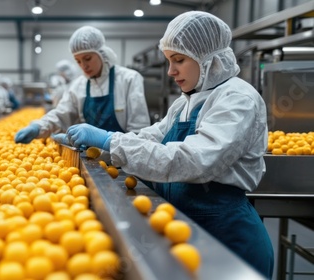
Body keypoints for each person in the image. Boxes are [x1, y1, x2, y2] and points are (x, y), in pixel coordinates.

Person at [64, 11, 274, 278]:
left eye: (179, 60)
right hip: (182, 225)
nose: (171, 71)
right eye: (169, 61)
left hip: (226, 234)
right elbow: (152, 136)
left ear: (208, 59)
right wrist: (100, 145)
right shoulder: (186, 101)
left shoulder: (238, 99)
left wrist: (109, 140)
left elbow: (193, 161)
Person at [15, 26, 151, 144]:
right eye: (78, 61)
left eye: (87, 58)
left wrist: (112, 149)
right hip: (90, 159)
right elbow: (61, 115)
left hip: (123, 164)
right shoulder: (78, 86)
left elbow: (139, 130)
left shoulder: (128, 79)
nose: (83, 66)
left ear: (101, 54)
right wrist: (38, 127)